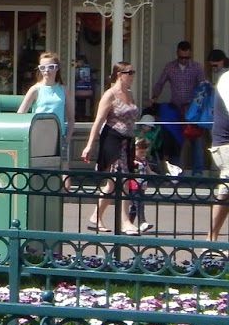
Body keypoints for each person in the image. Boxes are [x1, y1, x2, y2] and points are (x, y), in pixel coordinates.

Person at [80, 62, 140, 234]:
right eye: (129, 72)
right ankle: (125, 222)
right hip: (113, 140)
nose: (132, 75)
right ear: (119, 74)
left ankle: (95, 216)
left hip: (128, 141)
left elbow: (131, 120)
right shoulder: (110, 95)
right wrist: (89, 146)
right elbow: (98, 121)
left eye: (133, 72)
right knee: (122, 180)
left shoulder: (130, 94)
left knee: (113, 184)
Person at [17, 51, 68, 163]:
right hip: (38, 135)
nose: (47, 70)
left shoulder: (64, 90)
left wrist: (66, 138)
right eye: (43, 67)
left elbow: (71, 118)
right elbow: (20, 115)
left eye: (51, 67)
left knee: (62, 167)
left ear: (57, 68)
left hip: (59, 136)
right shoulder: (35, 89)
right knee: (39, 166)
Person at [151, 41, 204, 125]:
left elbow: (203, 85)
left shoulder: (197, 67)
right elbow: (160, 83)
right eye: (181, 57)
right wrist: (154, 97)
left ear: (190, 54)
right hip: (175, 106)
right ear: (177, 53)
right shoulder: (170, 67)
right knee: (176, 129)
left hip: (192, 107)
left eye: (186, 58)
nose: (184, 60)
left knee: (192, 131)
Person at [208, 54, 229, 241]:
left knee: (226, 192)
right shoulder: (227, 79)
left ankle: (211, 239)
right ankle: (211, 239)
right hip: (225, 145)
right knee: (225, 191)